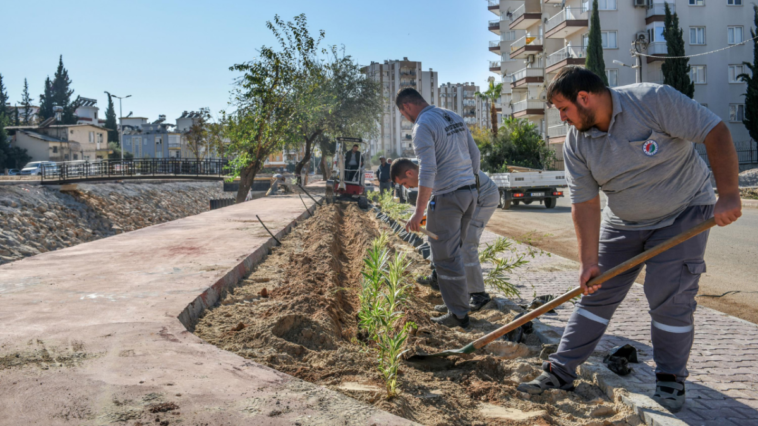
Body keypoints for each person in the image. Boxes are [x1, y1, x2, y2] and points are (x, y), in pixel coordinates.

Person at [517, 67, 741, 413]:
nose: (561, 118)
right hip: (623, 222)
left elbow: (716, 131)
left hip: (683, 213)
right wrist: (589, 261)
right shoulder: (577, 143)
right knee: (595, 293)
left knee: (669, 298)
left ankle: (669, 380)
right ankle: (560, 371)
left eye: (563, 108)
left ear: (584, 98)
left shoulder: (653, 100)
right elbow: (585, 204)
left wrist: (727, 195)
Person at [391, 87, 481, 328]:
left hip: (448, 198)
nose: (406, 118)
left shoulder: (422, 127)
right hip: (468, 193)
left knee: (445, 257)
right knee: (455, 253)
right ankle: (455, 303)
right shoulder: (452, 116)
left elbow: (428, 170)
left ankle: (459, 314)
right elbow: (475, 154)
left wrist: (419, 213)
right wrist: (467, 181)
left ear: (406, 107)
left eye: (403, 113)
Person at [397, 164, 499, 312]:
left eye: (404, 183)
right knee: (444, 235)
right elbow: (436, 208)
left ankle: (478, 294)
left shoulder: (430, 172)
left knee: (466, 243)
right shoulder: (429, 174)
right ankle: (441, 281)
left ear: (409, 173)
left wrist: (420, 216)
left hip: (483, 196)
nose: (407, 187)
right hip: (466, 195)